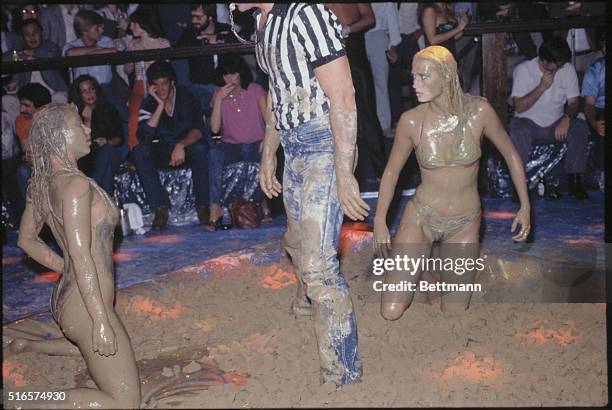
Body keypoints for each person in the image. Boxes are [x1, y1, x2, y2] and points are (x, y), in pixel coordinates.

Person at [236, 2, 369, 386]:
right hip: (295, 144)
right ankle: (304, 298)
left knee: (319, 268)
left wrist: (344, 171)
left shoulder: (305, 13)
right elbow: (279, 92)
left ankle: (343, 375)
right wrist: (268, 152)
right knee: (297, 240)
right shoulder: (263, 23)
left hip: (324, 141)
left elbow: (343, 93)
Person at [374, 46, 531, 320]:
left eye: (423, 77)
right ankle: (419, 265)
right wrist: (379, 220)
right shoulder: (411, 121)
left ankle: (428, 267)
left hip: (464, 222)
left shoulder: (479, 112)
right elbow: (390, 173)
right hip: (421, 216)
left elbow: (510, 154)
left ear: (446, 75)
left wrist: (525, 206)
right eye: (412, 78)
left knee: (453, 312)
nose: (414, 85)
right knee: (390, 311)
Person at [13, 103, 140, 408]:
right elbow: (82, 256)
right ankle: (21, 399)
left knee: (97, 345)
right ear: (60, 136)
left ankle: (30, 345)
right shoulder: (76, 186)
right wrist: (99, 320)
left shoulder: (43, 184)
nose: (88, 129)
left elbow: (26, 241)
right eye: (79, 125)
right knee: (124, 402)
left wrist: (64, 267)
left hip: (69, 296)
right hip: (85, 305)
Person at [509, 36, 589, 200]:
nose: (560, 67)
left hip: (556, 123)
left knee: (579, 126)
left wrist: (567, 117)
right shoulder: (524, 70)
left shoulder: (567, 69)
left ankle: (575, 180)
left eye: (561, 64)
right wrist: (541, 87)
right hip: (529, 122)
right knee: (518, 128)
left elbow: (574, 101)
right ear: (544, 61)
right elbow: (518, 107)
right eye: (557, 64)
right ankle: (519, 184)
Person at [133, 61, 210, 230]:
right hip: (164, 149)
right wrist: (159, 106)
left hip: (186, 147)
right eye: (156, 85)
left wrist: (181, 145)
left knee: (200, 148)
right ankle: (160, 207)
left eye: (165, 84)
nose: (161, 89)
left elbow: (198, 130)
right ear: (151, 86)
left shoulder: (187, 97)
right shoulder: (149, 102)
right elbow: (144, 137)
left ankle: (203, 206)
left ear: (172, 82)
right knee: (139, 152)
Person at [326, 3, 388, 188]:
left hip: (354, 55)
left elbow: (370, 17)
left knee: (367, 113)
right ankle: (338, 176)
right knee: (332, 116)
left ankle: (382, 172)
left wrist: (347, 29)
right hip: (328, 55)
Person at [208, 55, 271, 230]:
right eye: (225, 75)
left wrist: (266, 141)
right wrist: (219, 98)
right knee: (214, 154)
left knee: (259, 152)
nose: (229, 79)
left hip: (255, 142)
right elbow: (214, 129)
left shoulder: (255, 90)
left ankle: (262, 204)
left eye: (233, 74)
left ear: (241, 74)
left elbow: (270, 122)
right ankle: (216, 208)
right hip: (231, 147)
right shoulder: (218, 94)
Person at [69, 75, 125, 195]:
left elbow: (119, 138)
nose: (89, 94)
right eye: (84, 91)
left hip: (109, 153)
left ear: (96, 90)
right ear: (79, 95)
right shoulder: (74, 114)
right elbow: (82, 147)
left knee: (107, 151)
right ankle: (107, 200)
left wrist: (107, 141)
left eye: (91, 89)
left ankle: (92, 187)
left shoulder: (109, 109)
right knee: (107, 170)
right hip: (86, 159)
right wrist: (87, 120)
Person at [123, 8, 170, 150]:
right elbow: (127, 70)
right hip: (139, 84)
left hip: (159, 85)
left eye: (133, 24)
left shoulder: (163, 43)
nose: (130, 27)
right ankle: (135, 149)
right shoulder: (133, 44)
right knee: (133, 115)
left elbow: (166, 71)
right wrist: (130, 61)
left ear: (142, 24)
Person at [177, 3, 236, 116]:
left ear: (210, 16)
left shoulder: (224, 29)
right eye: (192, 17)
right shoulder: (189, 33)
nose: (194, 20)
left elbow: (238, 42)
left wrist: (217, 39)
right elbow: (179, 49)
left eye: (199, 17)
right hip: (200, 87)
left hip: (226, 85)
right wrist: (200, 42)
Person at [1, 19, 69, 101]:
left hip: (53, 92)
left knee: (60, 97)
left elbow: (51, 56)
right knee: (7, 99)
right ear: (22, 37)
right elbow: (5, 58)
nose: (32, 37)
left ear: (41, 33)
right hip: (29, 96)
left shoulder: (51, 47)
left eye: (35, 32)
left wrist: (33, 54)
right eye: (27, 34)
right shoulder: (20, 50)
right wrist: (23, 55)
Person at [365, 2, 401, 134]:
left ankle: (384, 125)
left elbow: (394, 30)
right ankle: (364, 126)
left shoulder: (387, 3)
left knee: (381, 85)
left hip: (378, 37)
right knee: (360, 85)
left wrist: (392, 48)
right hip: (357, 37)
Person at [14, 83, 52, 200]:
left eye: (26, 105)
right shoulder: (21, 121)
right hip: (36, 163)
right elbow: (27, 151)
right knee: (23, 171)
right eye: (21, 104)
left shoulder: (52, 118)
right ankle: (32, 209)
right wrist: (29, 157)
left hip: (55, 161)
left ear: (40, 107)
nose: (21, 109)